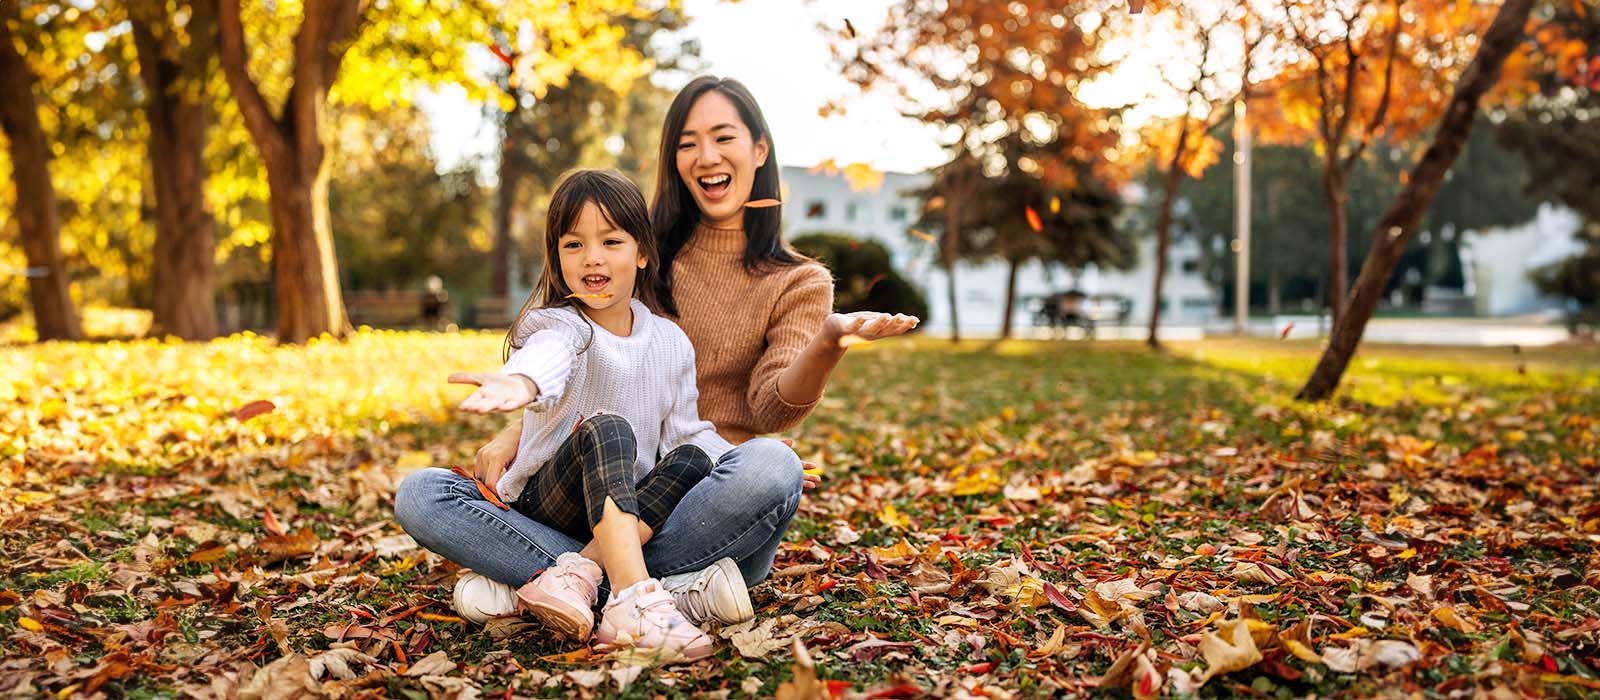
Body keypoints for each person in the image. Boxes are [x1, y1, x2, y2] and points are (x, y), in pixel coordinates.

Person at [406, 75, 918, 638]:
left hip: (692, 495)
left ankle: (552, 579)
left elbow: (767, 412)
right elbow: (569, 344)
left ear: (759, 150)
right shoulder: (644, 251)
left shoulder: (797, 281)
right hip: (590, 470)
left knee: (774, 464)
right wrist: (525, 414)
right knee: (426, 492)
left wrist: (828, 342)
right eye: (686, 142)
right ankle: (674, 592)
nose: (706, 156)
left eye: (722, 137)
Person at [397, 169, 732, 660]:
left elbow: (689, 433)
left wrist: (743, 459)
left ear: (642, 253)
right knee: (427, 490)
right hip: (551, 498)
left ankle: (570, 578)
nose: (592, 257)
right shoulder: (556, 323)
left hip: (625, 514)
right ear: (557, 257)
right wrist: (521, 381)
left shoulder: (671, 342)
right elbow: (549, 354)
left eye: (611, 241)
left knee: (692, 459)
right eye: (573, 244)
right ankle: (637, 599)